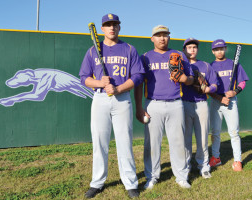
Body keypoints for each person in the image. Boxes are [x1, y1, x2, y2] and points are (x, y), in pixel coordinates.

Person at [79, 13, 145, 199]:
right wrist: (100, 83)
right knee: (99, 142)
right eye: (108, 25)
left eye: (115, 24)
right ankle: (97, 183)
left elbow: (138, 76)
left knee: (125, 141)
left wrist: (119, 88)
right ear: (102, 29)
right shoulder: (93, 50)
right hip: (100, 99)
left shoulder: (129, 49)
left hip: (122, 99)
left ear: (119, 27)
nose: (112, 27)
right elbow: (84, 78)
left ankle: (130, 183)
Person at [134, 25, 194, 190]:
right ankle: (151, 177)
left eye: (165, 35)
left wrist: (184, 78)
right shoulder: (145, 57)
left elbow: (191, 79)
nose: (162, 38)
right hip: (153, 103)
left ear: (169, 37)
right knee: (152, 143)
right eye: (158, 35)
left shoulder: (179, 55)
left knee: (178, 142)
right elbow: (138, 84)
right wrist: (139, 107)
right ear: (152, 38)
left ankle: (181, 177)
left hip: (176, 103)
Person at [208, 39, 249, 172]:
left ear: (225, 49)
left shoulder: (233, 64)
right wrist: (219, 98)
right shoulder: (210, 66)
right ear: (213, 51)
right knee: (215, 132)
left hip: (231, 101)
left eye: (221, 48)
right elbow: (208, 88)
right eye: (216, 49)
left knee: (234, 132)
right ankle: (216, 157)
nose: (219, 51)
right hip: (216, 101)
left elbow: (242, 82)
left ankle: (238, 160)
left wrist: (234, 91)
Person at [182, 38, 218, 179]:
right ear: (184, 49)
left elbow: (215, 84)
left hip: (201, 103)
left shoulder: (205, 66)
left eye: (194, 47)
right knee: (185, 139)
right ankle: (185, 167)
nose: (192, 49)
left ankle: (203, 166)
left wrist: (209, 88)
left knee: (202, 136)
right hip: (184, 103)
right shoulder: (181, 64)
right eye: (189, 47)